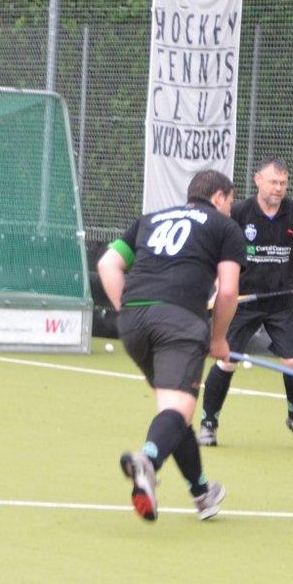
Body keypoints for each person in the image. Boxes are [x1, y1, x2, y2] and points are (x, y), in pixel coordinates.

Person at [97, 169, 245, 522]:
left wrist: (127, 310)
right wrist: (218, 339)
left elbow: (107, 264)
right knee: (177, 411)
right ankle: (147, 460)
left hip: (133, 322)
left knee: (175, 412)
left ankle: (202, 493)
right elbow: (227, 291)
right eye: (230, 201)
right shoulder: (225, 227)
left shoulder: (150, 219)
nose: (231, 208)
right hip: (179, 322)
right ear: (219, 197)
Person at [198, 156, 293, 448]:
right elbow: (216, 249)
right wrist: (219, 286)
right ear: (258, 180)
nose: (278, 188)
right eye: (273, 182)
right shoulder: (238, 213)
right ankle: (208, 423)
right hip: (241, 302)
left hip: (282, 302)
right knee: (226, 360)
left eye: (283, 183)